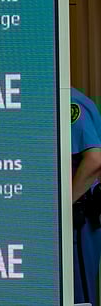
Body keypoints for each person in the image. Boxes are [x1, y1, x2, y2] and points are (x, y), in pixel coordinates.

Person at [73, 87, 101, 305]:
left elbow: (94, 160)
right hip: (74, 216)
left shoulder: (70, 103)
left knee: (79, 294)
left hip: (78, 217)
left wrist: (61, 207)